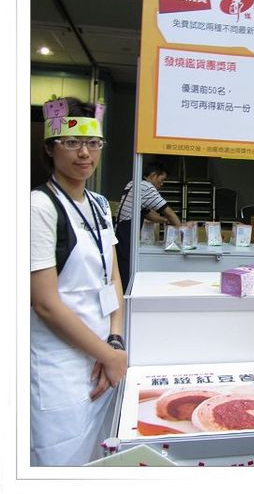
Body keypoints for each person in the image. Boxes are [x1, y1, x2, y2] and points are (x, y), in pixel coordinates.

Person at [30, 97, 127, 466]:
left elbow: (113, 274)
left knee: (99, 459)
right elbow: (45, 304)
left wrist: (114, 341)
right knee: (61, 462)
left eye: (93, 143)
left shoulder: (99, 204)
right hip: (62, 367)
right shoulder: (39, 207)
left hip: (104, 357)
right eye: (72, 142)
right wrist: (108, 355)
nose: (84, 153)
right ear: (50, 148)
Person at [115, 161, 182, 291]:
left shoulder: (133, 183)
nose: (162, 184)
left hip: (120, 232)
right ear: (153, 175)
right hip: (126, 234)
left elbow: (148, 214)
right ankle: (125, 299)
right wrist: (183, 232)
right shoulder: (147, 187)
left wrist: (165, 221)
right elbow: (169, 212)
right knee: (126, 274)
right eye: (162, 180)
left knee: (122, 270)